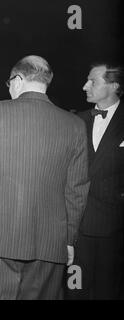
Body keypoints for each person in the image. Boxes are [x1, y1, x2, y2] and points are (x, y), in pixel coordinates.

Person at [0, 55, 89, 299]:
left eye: (9, 82)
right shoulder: (74, 124)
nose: (9, 88)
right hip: (50, 240)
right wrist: (69, 239)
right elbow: (77, 189)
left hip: (0, 234)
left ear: (18, 80)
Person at [67, 63, 124, 299]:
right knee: (74, 288)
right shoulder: (77, 121)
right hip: (76, 226)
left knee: (107, 290)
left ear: (114, 85)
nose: (85, 86)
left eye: (93, 81)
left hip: (114, 228)